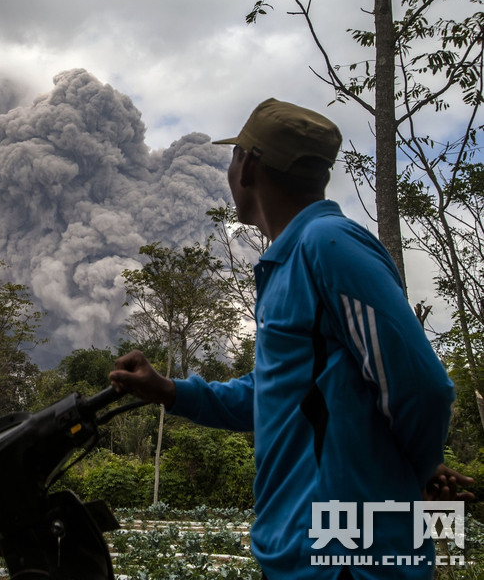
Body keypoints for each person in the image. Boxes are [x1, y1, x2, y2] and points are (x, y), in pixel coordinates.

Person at [109, 98, 472, 579]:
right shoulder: (290, 260)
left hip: (345, 560)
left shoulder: (328, 245)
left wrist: (418, 471)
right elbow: (280, 395)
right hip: (301, 552)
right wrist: (172, 392)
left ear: (249, 165)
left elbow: (423, 388)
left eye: (234, 153)